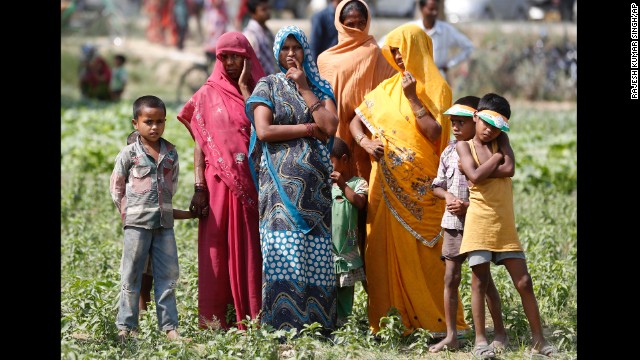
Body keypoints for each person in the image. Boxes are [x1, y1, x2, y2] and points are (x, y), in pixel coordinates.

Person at [348, 23, 468, 337]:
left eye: (402, 51)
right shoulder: (386, 89)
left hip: (423, 190)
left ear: (417, 49)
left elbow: (434, 134)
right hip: (384, 187)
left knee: (426, 257)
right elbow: (354, 122)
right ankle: (390, 322)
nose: (398, 58)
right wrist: (364, 143)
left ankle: (434, 321)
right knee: (382, 252)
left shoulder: (437, 88)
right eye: (394, 51)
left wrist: (413, 98)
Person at [245, 25, 339, 335]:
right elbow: (265, 131)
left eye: (296, 48)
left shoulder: (320, 88)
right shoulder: (267, 85)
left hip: (316, 190)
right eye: (284, 48)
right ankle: (284, 324)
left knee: (316, 253)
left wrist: (305, 88)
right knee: (285, 250)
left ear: (304, 51)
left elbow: (330, 127)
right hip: (279, 189)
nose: (290, 54)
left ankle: (319, 325)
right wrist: (307, 129)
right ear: (276, 52)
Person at [177, 31, 266, 330]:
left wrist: (244, 88)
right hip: (217, 185)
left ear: (247, 57)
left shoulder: (262, 90)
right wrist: (199, 186)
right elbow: (201, 143)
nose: (229, 62)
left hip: (253, 183)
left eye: (236, 56)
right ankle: (216, 320)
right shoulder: (206, 93)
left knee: (251, 248)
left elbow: (265, 131)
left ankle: (252, 316)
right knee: (216, 249)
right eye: (223, 56)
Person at [456, 93, 555, 358]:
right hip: (479, 221)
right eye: (485, 123)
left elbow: (509, 169)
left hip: (504, 223)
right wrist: (496, 160)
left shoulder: (503, 140)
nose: (489, 130)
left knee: (524, 282)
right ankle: (480, 341)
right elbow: (475, 177)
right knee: (479, 281)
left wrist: (494, 163)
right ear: (475, 117)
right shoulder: (464, 146)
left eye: (496, 127)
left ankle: (539, 340)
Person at [317, 0, 396, 290]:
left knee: (365, 215)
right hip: (334, 149)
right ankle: (335, 298)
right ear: (339, 22)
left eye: (360, 22)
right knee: (335, 219)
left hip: (366, 147)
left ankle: (375, 294)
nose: (355, 27)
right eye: (349, 22)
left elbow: (387, 96)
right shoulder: (326, 60)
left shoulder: (375, 53)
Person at [428, 96, 507, 355]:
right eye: (453, 123)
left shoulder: (489, 149)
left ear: (476, 121)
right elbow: (437, 185)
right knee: (451, 278)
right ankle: (452, 335)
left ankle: (498, 332)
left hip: (477, 223)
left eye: (462, 122)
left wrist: (467, 205)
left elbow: (493, 192)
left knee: (483, 281)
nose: (456, 127)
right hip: (452, 224)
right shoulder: (450, 151)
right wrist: (449, 197)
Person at [109, 95, 182, 342]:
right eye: (148, 121)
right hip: (136, 225)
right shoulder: (129, 154)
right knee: (131, 275)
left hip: (164, 225)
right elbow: (116, 187)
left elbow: (172, 186)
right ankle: (126, 327)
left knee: (168, 275)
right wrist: (127, 214)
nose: (154, 127)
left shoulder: (171, 153)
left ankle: (170, 328)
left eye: (160, 121)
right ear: (135, 123)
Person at [123, 130, 196, 315]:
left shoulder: (165, 172)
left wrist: (190, 215)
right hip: (139, 227)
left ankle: (147, 313)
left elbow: (166, 208)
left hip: (160, 229)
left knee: (150, 274)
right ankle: (138, 314)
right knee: (136, 274)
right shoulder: (133, 184)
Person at [377, 0, 474, 81]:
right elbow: (384, 42)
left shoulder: (446, 30)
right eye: (431, 9)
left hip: (438, 77)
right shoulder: (411, 28)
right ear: (422, 9)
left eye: (436, 9)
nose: (434, 13)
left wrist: (449, 65)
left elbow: (468, 47)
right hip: (415, 78)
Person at [329, 137, 368, 326]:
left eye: (331, 161)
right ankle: (329, 321)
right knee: (328, 287)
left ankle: (343, 323)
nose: (329, 167)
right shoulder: (325, 185)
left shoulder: (358, 183)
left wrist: (343, 185)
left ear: (344, 159)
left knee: (345, 287)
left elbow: (360, 203)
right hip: (328, 248)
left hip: (346, 248)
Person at [242, 0, 277, 75]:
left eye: (268, 8)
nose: (267, 12)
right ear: (253, 13)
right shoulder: (250, 34)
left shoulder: (267, 31)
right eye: (263, 9)